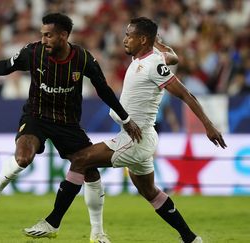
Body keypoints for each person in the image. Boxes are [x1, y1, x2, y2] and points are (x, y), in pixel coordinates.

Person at [0, 13, 142, 243]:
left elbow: (104, 90)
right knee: (22, 158)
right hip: (36, 116)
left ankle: (97, 233)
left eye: (48, 35)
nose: (43, 40)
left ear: (63, 35)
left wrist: (125, 119)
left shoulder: (83, 58)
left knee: (90, 170)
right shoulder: (33, 52)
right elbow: (8, 66)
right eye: (42, 35)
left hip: (67, 122)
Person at [55, 17, 227, 243]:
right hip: (138, 136)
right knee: (150, 192)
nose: (124, 39)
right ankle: (191, 238)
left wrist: (208, 125)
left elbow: (186, 94)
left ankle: (66, 225)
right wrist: (162, 46)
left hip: (135, 138)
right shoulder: (149, 57)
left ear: (143, 39)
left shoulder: (153, 65)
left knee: (81, 160)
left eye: (129, 35)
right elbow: (173, 57)